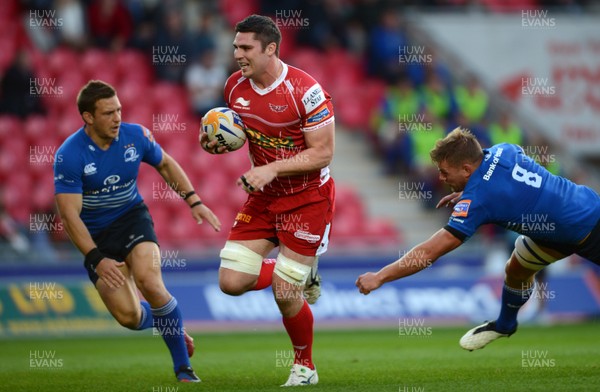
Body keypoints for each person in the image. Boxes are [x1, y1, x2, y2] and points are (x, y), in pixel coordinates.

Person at [356, 127, 600, 351]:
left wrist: (380, 277)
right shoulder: (503, 149)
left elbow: (430, 252)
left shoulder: (478, 200)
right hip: (557, 227)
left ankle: (506, 323)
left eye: (444, 172)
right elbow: (501, 181)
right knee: (516, 269)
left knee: (518, 265)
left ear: (466, 170)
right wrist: (470, 190)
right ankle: (505, 324)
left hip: (588, 223)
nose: (440, 177)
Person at [199, 15, 335, 387]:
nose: (237, 54)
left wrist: (272, 169)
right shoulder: (233, 88)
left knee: (285, 293)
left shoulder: (306, 91)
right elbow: (239, 131)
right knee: (230, 281)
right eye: (235, 47)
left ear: (270, 48)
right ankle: (301, 271)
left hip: (307, 198)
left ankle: (305, 368)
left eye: (245, 48)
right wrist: (216, 139)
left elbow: (323, 153)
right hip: (265, 197)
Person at [53, 80, 221, 382]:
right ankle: (170, 325)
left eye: (118, 110)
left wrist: (193, 201)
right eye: (107, 113)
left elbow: (166, 164)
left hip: (132, 220)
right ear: (88, 117)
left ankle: (183, 369)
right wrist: (96, 258)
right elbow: (69, 216)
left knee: (150, 281)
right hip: (97, 238)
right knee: (129, 317)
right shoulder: (70, 155)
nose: (117, 118)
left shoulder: (136, 135)